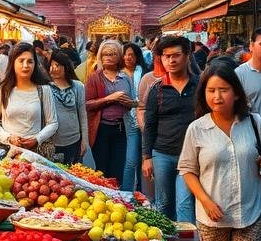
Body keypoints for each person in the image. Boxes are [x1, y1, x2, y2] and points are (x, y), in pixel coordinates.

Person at [178, 64, 261, 241]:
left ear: (235, 93)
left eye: (223, 89)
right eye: (211, 90)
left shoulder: (254, 122)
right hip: (212, 215)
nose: (217, 96)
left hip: (250, 212)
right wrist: (205, 201)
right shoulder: (196, 129)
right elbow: (187, 170)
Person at [141, 35, 199, 222]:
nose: (171, 60)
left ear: (187, 55)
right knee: (164, 203)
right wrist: (147, 157)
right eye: (166, 56)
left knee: (184, 202)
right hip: (162, 154)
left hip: (190, 156)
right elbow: (149, 124)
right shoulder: (156, 89)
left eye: (176, 55)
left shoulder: (199, 86)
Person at [0, 43, 57, 153]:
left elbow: (53, 123)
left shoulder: (44, 90)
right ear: (13, 63)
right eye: (21, 60)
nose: (25, 65)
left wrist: (37, 139)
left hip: (34, 153)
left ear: (35, 64)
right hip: (6, 150)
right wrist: (8, 137)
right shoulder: (3, 89)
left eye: (30, 61)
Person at [85, 40, 136, 185]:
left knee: (118, 168)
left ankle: (117, 200)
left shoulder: (125, 77)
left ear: (119, 56)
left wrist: (130, 103)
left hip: (121, 128)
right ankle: (104, 198)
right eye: (105, 54)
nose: (108, 57)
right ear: (100, 56)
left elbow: (132, 101)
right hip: (102, 128)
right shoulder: (95, 77)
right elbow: (87, 104)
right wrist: (109, 99)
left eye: (112, 54)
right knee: (102, 169)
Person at [48, 51, 89, 165]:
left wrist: (85, 140)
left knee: (74, 175)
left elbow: (83, 114)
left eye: (58, 65)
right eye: (52, 65)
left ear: (66, 67)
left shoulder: (78, 86)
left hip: (74, 140)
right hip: (51, 142)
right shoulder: (45, 87)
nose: (54, 68)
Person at [121, 42, 149, 192]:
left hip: (144, 119)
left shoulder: (144, 72)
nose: (128, 57)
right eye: (125, 54)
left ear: (137, 56)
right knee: (132, 160)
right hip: (127, 120)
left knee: (144, 158)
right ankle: (126, 193)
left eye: (131, 54)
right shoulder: (119, 74)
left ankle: (140, 192)